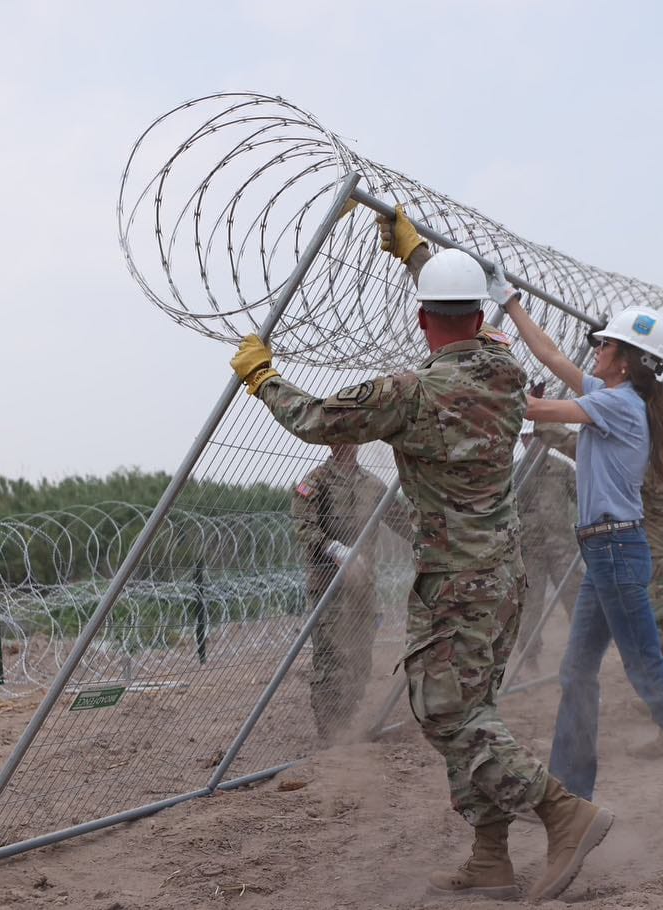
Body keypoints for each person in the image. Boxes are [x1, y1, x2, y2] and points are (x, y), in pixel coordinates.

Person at [228, 206, 611, 902]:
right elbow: (467, 320)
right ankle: (490, 859)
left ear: (418, 319)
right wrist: (419, 254)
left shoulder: (411, 394)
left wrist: (263, 378)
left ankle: (562, 811)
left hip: (454, 583)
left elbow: (313, 419)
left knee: (445, 714)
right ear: (473, 314)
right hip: (503, 576)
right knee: (477, 709)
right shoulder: (501, 369)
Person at [498, 275, 663, 831]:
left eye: (604, 344)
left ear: (626, 359)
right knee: (578, 672)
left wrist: (484, 366)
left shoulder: (618, 405)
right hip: (605, 550)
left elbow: (536, 409)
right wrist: (509, 303)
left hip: (614, 548)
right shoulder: (617, 393)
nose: (596, 349)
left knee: (651, 674)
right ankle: (569, 800)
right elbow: (552, 356)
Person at [531, 420, 663, 757]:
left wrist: (547, 426)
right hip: (657, 560)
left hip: (657, 564)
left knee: (655, 650)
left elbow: (588, 452)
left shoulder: (643, 458)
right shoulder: (661, 448)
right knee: (648, 651)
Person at [293, 444, 406, 744]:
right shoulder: (316, 482)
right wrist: (334, 549)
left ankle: (348, 722)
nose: (346, 444)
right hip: (329, 588)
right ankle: (330, 733)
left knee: (359, 659)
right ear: (331, 443)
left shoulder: (373, 486)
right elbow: (304, 526)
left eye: (351, 438)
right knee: (332, 660)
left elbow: (403, 522)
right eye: (339, 438)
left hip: (362, 589)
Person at [515, 430, 581, 670]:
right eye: (524, 437)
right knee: (531, 603)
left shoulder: (561, 468)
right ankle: (530, 657)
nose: (529, 442)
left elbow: (582, 496)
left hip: (561, 545)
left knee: (575, 596)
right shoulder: (514, 472)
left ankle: (583, 651)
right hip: (529, 549)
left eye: (534, 436)